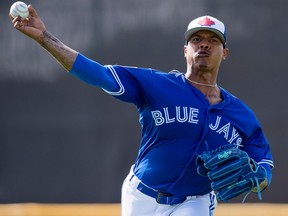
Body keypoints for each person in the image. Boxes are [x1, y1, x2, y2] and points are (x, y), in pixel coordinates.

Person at [10, 5, 274, 216]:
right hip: (141, 196)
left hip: (195, 202)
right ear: (185, 50)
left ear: (224, 52)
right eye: (196, 39)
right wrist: (44, 38)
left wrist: (260, 176)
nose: (203, 44)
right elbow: (98, 74)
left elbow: (263, 161)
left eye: (212, 40)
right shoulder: (156, 85)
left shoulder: (240, 114)